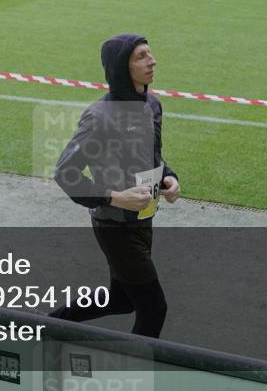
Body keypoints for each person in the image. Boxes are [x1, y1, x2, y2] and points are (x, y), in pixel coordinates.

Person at [50, 34, 180, 338]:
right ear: (122, 67)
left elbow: (152, 155)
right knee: (153, 308)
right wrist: (115, 197)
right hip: (114, 226)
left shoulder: (153, 105)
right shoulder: (100, 116)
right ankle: (133, 376)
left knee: (121, 299)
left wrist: (168, 178)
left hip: (143, 219)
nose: (152, 61)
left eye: (150, 53)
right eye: (141, 56)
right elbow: (65, 172)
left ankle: (48, 324)